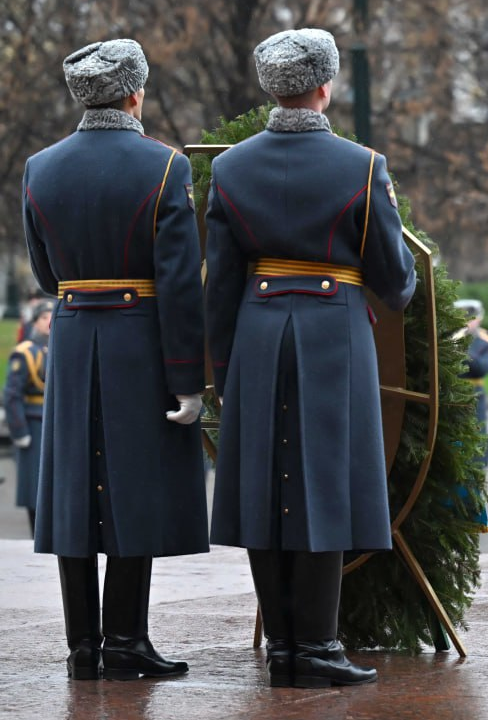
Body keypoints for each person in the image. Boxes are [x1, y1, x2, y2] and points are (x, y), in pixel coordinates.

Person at [205, 28, 417, 688]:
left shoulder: (231, 167)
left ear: (271, 87)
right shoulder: (361, 165)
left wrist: (219, 368)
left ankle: (283, 650)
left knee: (265, 488)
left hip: (258, 331)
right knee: (326, 481)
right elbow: (394, 276)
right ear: (325, 86)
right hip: (332, 332)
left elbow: (221, 282)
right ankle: (318, 647)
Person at [23, 39, 207, 681]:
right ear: (135, 93)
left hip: (72, 333)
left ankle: (82, 647)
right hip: (140, 338)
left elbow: (46, 275)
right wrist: (189, 379)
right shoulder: (165, 167)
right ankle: (126, 640)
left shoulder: (39, 167)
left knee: (75, 489)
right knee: (135, 489)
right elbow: (181, 283)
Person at [6, 300, 51, 536]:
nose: (49, 322)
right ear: (35, 322)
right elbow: (12, 395)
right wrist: (20, 431)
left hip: (53, 423)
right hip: (34, 424)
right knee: (35, 489)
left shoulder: (57, 348)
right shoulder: (25, 353)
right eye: (44, 317)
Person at [455, 299, 488, 457]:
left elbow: (483, 369)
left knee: (475, 437)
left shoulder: (485, 343)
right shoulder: (449, 337)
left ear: (478, 319)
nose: (466, 323)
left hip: (474, 396)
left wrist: (461, 349)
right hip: (453, 393)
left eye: (470, 319)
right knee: (455, 441)